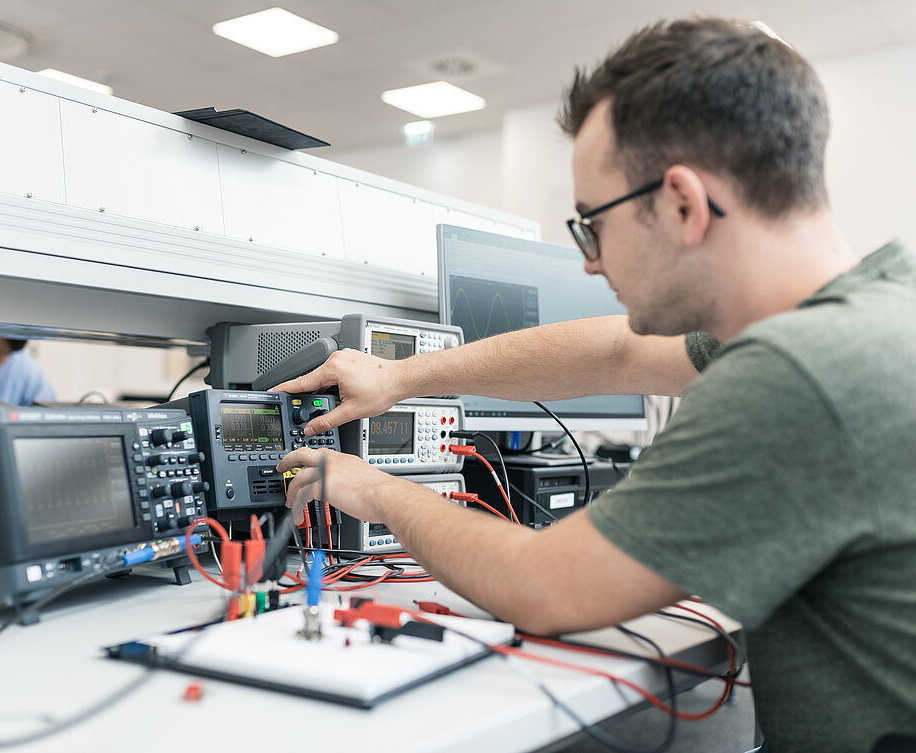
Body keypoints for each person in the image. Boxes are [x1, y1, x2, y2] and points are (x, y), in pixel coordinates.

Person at [273, 18, 916, 753]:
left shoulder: (799, 374)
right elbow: (615, 353)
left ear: (682, 204)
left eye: (591, 227)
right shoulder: (876, 310)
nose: (588, 262)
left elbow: (542, 586)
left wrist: (374, 488)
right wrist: (399, 376)